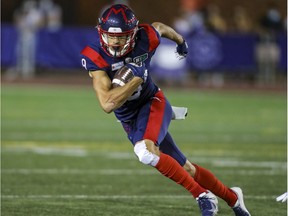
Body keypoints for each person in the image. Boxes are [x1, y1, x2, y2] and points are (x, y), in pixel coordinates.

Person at [80, 4, 251, 216]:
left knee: (145, 152)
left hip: (152, 102)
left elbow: (159, 27)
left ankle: (202, 195)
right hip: (129, 119)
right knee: (186, 168)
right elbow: (107, 104)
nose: (115, 42)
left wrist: (181, 41)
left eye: (122, 37)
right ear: (101, 33)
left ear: (133, 34)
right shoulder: (94, 56)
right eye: (110, 36)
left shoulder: (145, 37)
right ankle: (234, 199)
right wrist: (135, 78)